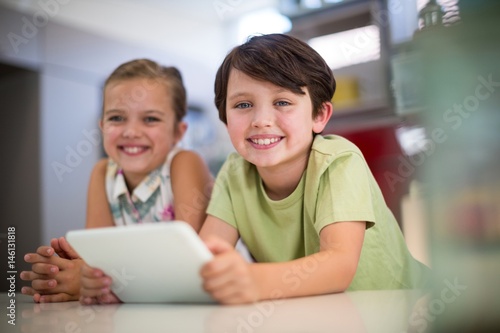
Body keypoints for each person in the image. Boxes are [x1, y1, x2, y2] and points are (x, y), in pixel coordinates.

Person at [79, 34, 431, 305]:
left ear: (319, 115)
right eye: (243, 105)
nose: (261, 121)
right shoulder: (235, 172)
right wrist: (115, 289)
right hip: (316, 313)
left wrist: (252, 280)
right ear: (225, 116)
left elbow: (338, 265)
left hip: (408, 307)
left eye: (282, 102)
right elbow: (199, 261)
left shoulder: (339, 161)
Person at [20, 59, 213, 303]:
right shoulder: (102, 173)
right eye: (117, 118)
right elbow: (98, 261)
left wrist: (90, 278)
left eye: (150, 119)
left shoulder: (185, 163)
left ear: (178, 132)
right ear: (102, 127)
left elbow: (184, 266)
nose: (131, 131)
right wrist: (77, 274)